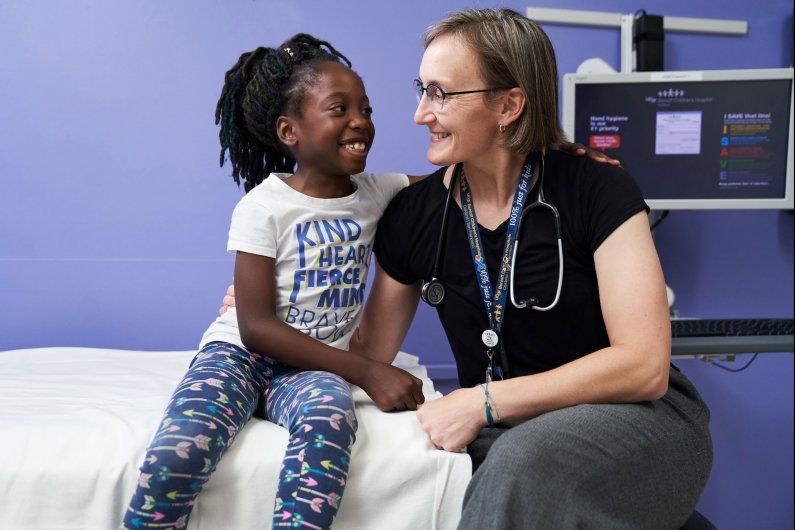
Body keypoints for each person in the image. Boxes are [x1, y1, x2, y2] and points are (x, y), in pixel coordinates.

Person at [226, 9, 712, 529]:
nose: (418, 114)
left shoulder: (596, 189)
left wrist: (484, 401)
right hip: (508, 428)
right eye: (422, 89)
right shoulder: (416, 215)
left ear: (509, 105)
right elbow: (367, 353)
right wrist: (281, 317)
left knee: (522, 466)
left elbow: (643, 366)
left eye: (439, 94)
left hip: (639, 420)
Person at [123, 34, 428, 530]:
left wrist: (553, 151)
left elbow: (458, 176)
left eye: (366, 109)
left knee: (331, 421)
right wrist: (366, 371)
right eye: (339, 108)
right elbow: (256, 327)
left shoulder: (379, 191)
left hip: (308, 371)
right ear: (290, 130)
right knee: (179, 452)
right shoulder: (264, 207)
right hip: (241, 355)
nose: (361, 122)